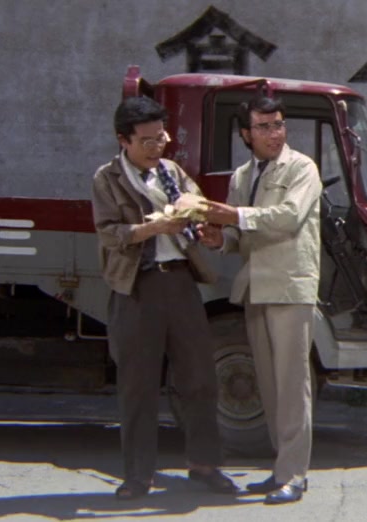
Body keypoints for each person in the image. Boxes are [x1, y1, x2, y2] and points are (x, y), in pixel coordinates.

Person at [90, 96, 238, 500]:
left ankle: (205, 465)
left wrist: (203, 224)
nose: (158, 146)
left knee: (200, 378)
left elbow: (198, 205)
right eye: (147, 140)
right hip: (137, 286)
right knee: (138, 385)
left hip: (180, 281)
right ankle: (138, 475)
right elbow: (110, 234)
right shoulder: (108, 178)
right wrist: (153, 228)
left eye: (162, 137)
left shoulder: (172, 173)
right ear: (123, 140)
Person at [200, 96, 321, 505]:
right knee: (269, 384)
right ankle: (281, 469)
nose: (274, 134)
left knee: (292, 385)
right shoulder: (242, 175)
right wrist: (219, 238)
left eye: (279, 125)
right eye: (264, 127)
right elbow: (239, 235)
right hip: (255, 287)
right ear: (246, 134)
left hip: (290, 286)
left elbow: (288, 217)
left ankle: (294, 475)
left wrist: (233, 217)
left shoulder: (302, 167)